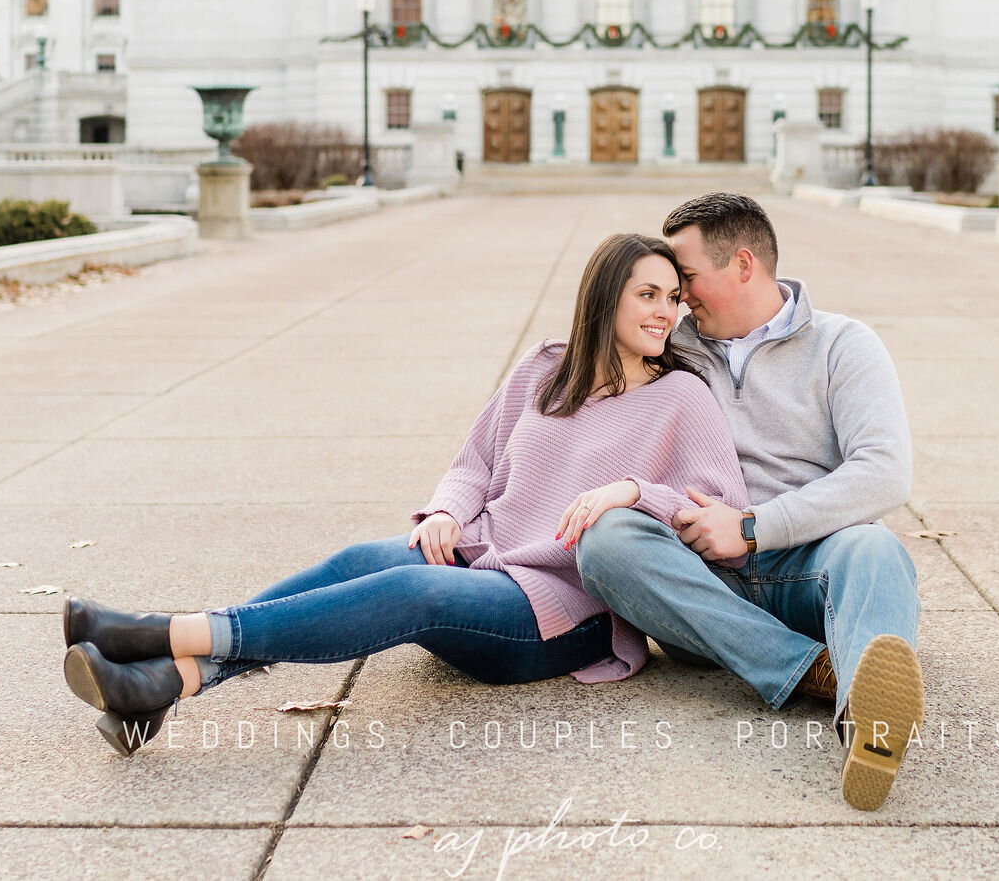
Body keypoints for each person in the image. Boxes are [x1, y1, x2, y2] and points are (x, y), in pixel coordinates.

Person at [59, 232, 749, 757]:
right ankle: (164, 684)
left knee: (414, 594)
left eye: (671, 297)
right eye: (647, 294)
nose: (666, 312)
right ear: (606, 297)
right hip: (483, 556)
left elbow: (720, 504)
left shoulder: (680, 397)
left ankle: (157, 631)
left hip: (565, 611)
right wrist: (449, 508)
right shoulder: (546, 366)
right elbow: (474, 460)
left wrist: (633, 490)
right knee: (367, 556)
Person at [573, 192, 923, 812]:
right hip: (703, 584)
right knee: (606, 540)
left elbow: (885, 473)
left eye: (684, 279)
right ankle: (817, 669)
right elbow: (583, 399)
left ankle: (872, 729)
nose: (677, 298)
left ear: (741, 264)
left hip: (814, 568)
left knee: (876, 546)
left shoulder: (843, 344)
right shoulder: (669, 349)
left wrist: (754, 526)